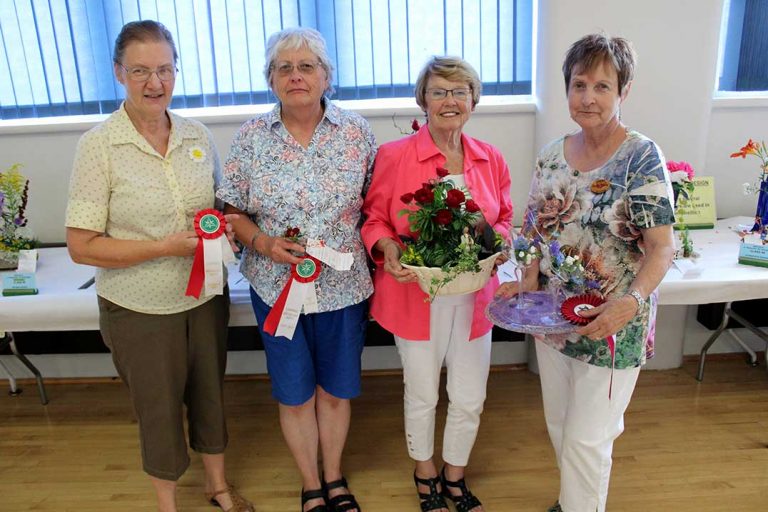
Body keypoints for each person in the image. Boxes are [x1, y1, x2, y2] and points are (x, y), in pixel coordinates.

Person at [65, 20, 252, 512]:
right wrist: (163, 247)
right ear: (118, 74)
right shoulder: (99, 146)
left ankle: (217, 487)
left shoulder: (196, 134)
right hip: (138, 306)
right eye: (141, 71)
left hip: (204, 298)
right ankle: (167, 503)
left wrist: (227, 227)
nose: (155, 83)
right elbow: (81, 246)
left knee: (211, 395)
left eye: (165, 69)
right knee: (158, 410)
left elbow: (215, 207)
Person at [497, 34, 676, 512]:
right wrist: (528, 280)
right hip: (554, 321)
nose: (589, 97)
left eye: (602, 85)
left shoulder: (641, 157)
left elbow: (662, 249)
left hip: (612, 325)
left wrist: (629, 303)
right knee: (560, 426)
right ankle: (572, 502)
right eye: (579, 84)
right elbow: (534, 230)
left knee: (586, 440)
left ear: (624, 91)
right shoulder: (553, 153)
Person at [216, 28, 375, 512]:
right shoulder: (249, 138)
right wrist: (262, 242)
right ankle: (310, 484)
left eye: (307, 66)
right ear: (271, 80)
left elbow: (375, 206)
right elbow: (232, 212)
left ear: (327, 76)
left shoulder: (357, 133)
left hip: (343, 289)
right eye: (284, 68)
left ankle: (335, 477)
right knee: (294, 393)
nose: (296, 76)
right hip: (274, 286)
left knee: (334, 391)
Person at [361, 56, 513, 512]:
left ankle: (455, 474)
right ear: (422, 100)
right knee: (423, 391)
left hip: (475, 297)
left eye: (459, 91)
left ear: (473, 100)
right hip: (415, 294)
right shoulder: (394, 156)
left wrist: (501, 243)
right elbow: (374, 219)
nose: (450, 101)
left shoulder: (491, 158)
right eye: (438, 92)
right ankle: (424, 471)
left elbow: (504, 219)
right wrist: (387, 248)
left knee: (469, 395)